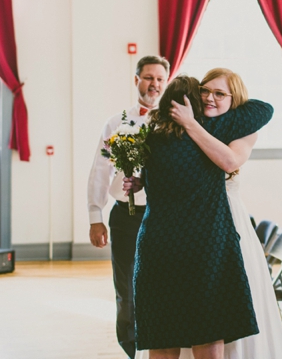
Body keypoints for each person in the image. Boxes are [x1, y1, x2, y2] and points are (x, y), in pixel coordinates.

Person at [134, 68, 282, 359]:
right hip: (203, 233)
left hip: (219, 225)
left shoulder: (228, 127)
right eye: (205, 91)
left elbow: (230, 160)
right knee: (203, 325)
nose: (209, 98)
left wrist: (191, 123)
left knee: (188, 327)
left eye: (220, 93)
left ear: (234, 99)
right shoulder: (191, 129)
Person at [87, 55, 169, 358]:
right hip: (127, 216)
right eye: (149, 77)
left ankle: (163, 345)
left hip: (165, 216)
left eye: (160, 79)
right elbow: (100, 170)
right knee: (127, 287)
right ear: (137, 80)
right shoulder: (116, 123)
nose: (155, 84)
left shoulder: (176, 123)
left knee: (165, 285)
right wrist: (95, 215)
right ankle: (133, 349)